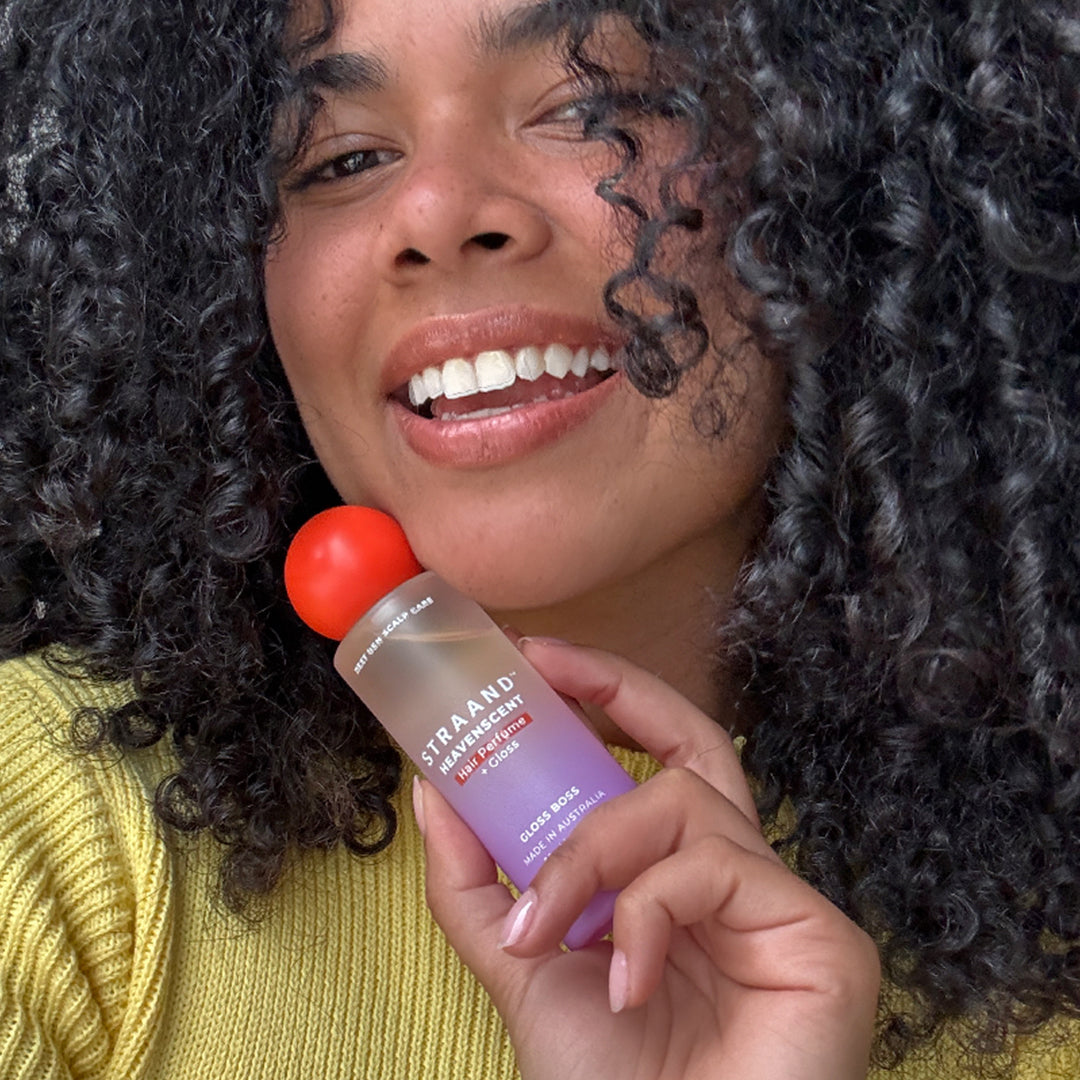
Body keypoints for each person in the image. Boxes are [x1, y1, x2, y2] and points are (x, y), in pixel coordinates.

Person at [1, 0, 1077, 1076]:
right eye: (341, 158)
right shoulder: (47, 841)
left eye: (591, 105)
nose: (435, 210)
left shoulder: (1050, 976)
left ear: (842, 169)